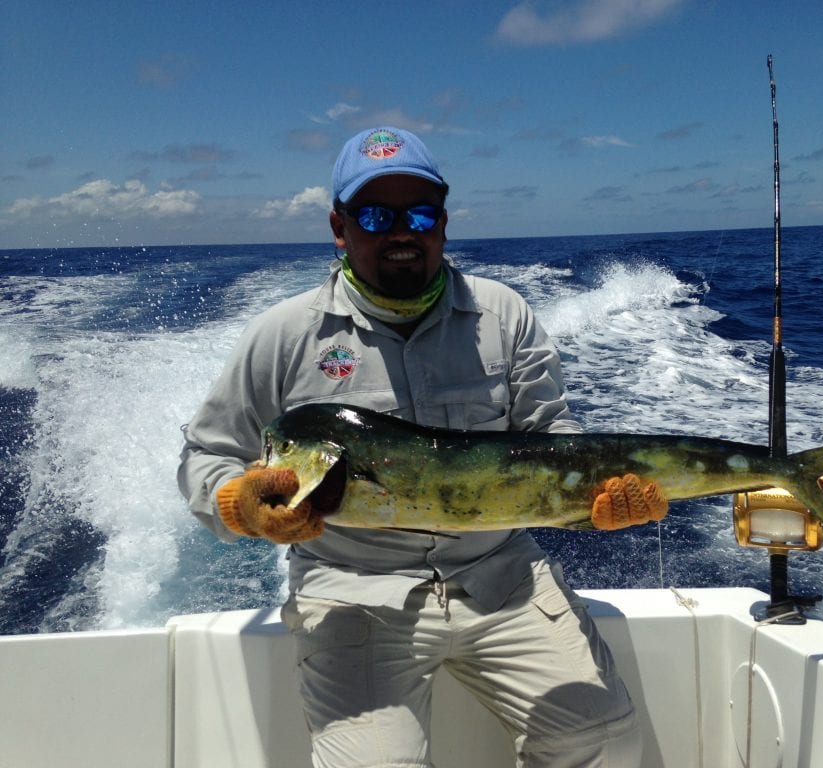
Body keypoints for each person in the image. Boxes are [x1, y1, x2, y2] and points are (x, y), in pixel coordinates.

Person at [178, 126, 668, 768]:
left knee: (601, 738)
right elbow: (205, 455)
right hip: (354, 588)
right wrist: (240, 504)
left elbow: (554, 443)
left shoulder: (504, 315)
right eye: (377, 214)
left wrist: (599, 498)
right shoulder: (283, 336)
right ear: (339, 226)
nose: (401, 231)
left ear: (442, 223)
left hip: (500, 574)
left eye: (420, 213)